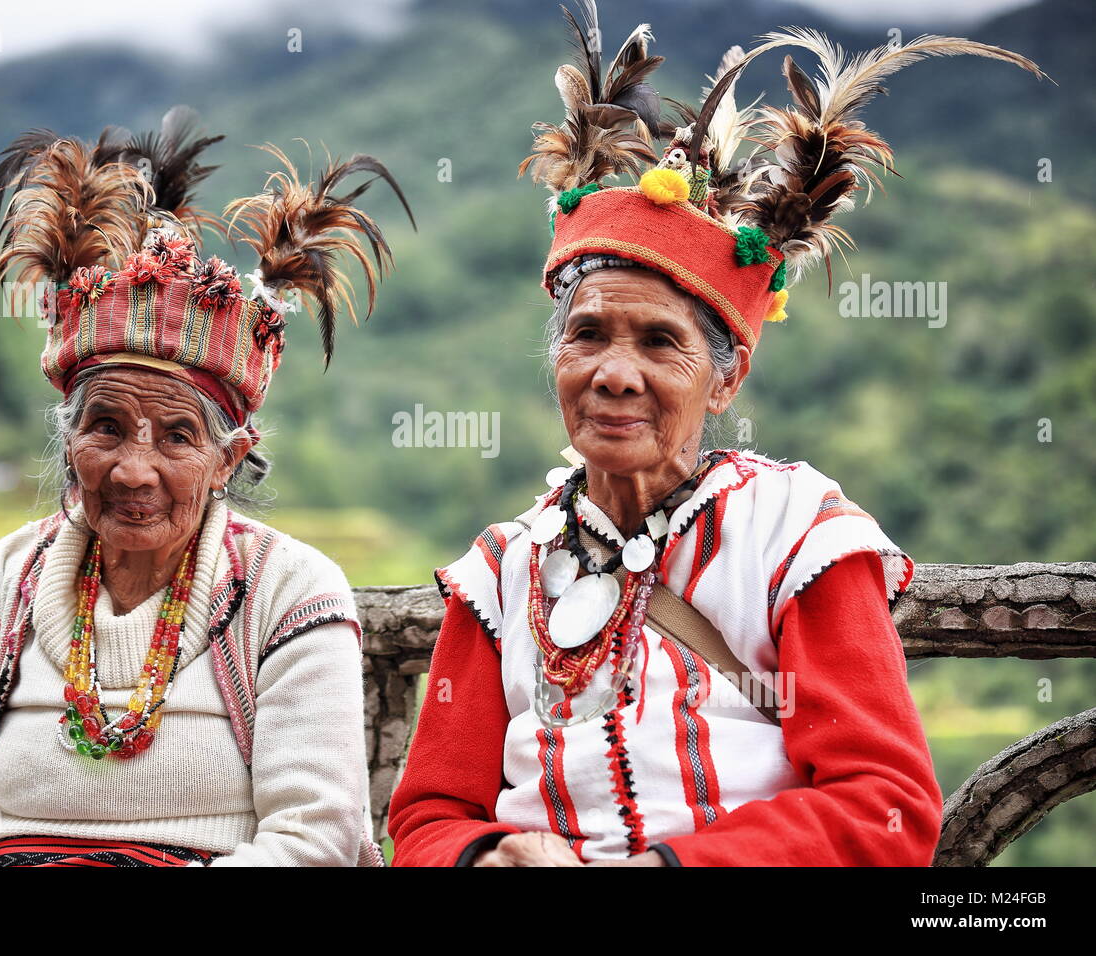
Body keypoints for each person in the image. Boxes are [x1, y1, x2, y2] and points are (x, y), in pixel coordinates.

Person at [388, 6, 1048, 866]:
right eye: (588, 336)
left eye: (661, 343)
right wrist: (487, 859)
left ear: (726, 378)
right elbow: (430, 816)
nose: (614, 373)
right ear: (556, 361)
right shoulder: (503, 569)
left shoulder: (796, 535)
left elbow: (884, 809)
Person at [0, 106, 413, 866]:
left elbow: (312, 837)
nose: (134, 469)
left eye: (177, 436)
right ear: (68, 440)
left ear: (231, 458)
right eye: (105, 429)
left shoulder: (289, 592)